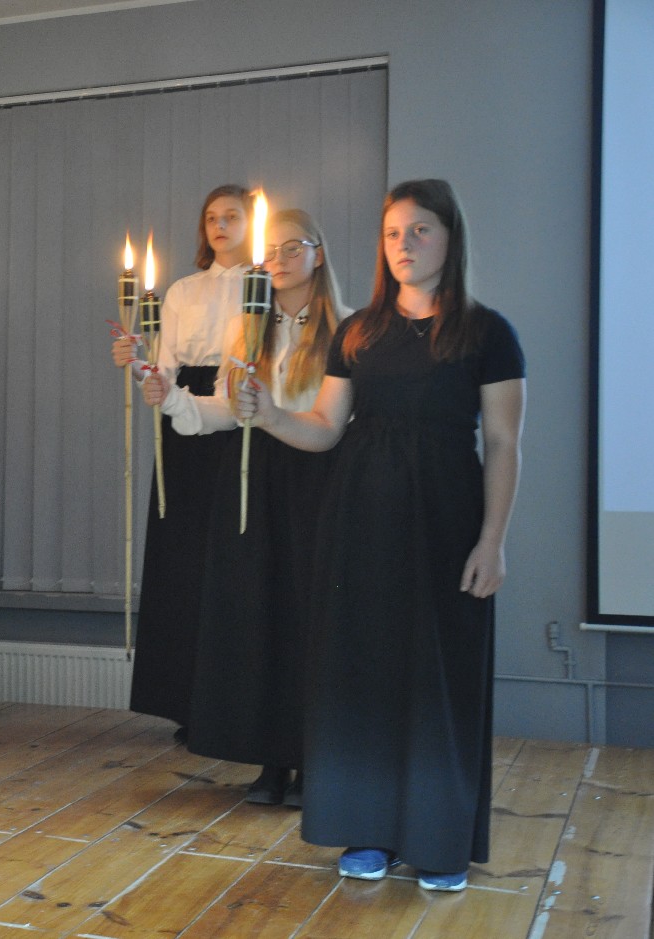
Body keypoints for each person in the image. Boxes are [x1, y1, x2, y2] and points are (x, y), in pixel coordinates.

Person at [236, 179, 525, 891]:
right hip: (358, 521)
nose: (404, 244)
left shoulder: (487, 333)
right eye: (393, 232)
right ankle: (366, 830)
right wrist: (269, 413)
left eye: (420, 230)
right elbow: (325, 428)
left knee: (436, 680)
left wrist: (491, 541)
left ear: (450, 237)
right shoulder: (358, 331)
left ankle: (438, 841)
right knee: (361, 673)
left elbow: (503, 442)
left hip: (447, 522)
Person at [143, 208, 347, 806]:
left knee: (309, 618)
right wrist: (171, 398)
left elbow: (334, 420)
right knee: (261, 614)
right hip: (254, 478)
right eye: (271, 251)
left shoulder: (346, 329)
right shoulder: (246, 328)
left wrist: (275, 414)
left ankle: (313, 758)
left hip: (315, 478)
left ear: (318, 254)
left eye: (292, 248)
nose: (279, 260)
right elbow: (225, 411)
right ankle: (270, 758)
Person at [112, 184, 250, 741]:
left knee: (230, 553)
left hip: (238, 414)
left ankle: (231, 701)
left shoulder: (262, 284)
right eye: (212, 217)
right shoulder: (182, 291)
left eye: (232, 216)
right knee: (184, 555)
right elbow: (163, 369)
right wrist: (136, 364)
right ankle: (185, 699)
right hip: (182, 423)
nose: (220, 225)